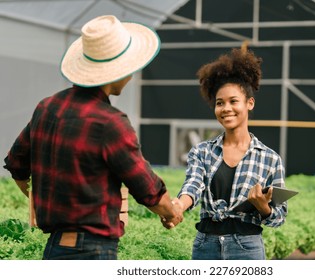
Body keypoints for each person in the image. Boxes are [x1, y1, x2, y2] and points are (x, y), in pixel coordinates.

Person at [3, 15, 182, 260]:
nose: (131, 76)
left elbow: (16, 165)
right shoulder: (110, 122)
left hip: (54, 248)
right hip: (92, 251)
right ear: (117, 71)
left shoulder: (46, 108)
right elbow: (147, 188)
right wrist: (171, 212)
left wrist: (44, 200)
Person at [172, 45, 288, 260]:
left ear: (249, 103)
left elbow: (279, 217)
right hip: (205, 246)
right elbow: (193, 186)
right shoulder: (202, 151)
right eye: (219, 103)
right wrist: (179, 204)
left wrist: (264, 208)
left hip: (247, 248)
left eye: (233, 101)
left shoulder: (270, 159)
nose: (226, 108)